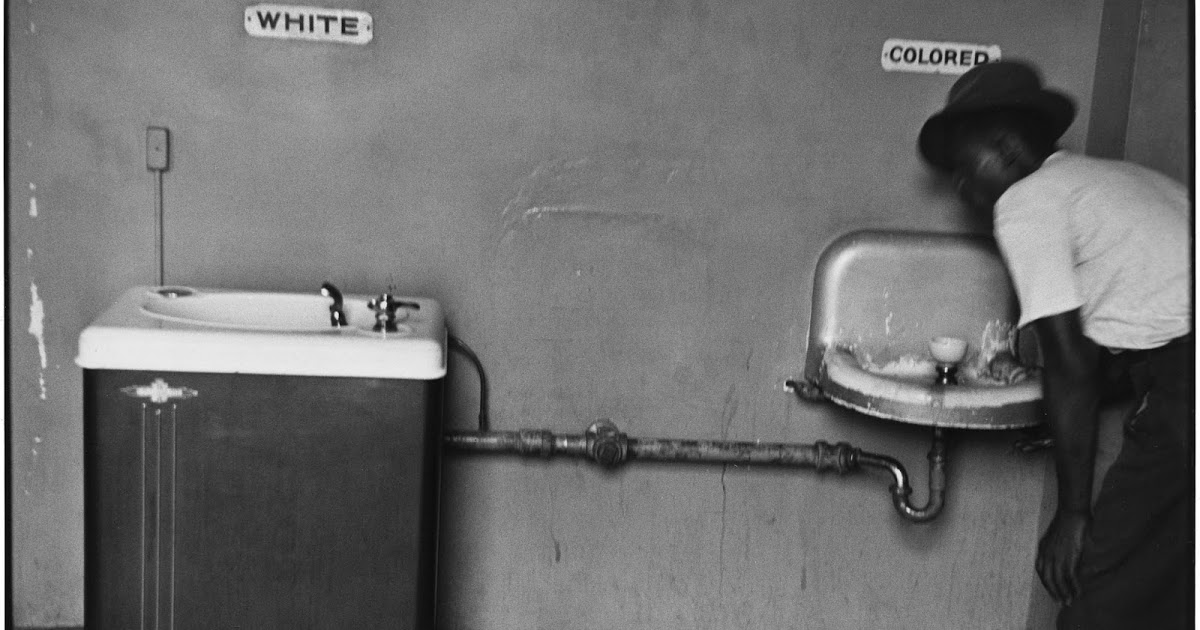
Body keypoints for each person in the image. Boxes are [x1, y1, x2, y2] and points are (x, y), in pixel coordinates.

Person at [917, 60, 1193, 629]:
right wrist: (1055, 406)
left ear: (1007, 146)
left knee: (1098, 598)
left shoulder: (1027, 202)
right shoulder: (1119, 182)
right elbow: (1141, 337)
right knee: (1171, 596)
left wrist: (1072, 513)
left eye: (965, 172)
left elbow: (1070, 363)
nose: (963, 192)